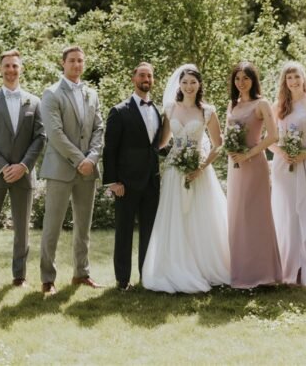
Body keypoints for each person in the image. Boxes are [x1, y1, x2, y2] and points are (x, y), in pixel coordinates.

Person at [142, 64, 230, 293]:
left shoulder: (207, 111)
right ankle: (175, 265)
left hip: (198, 172)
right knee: (176, 217)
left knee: (200, 218)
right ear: (179, 85)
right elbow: (162, 142)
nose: (189, 86)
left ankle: (203, 266)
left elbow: (218, 144)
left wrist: (201, 166)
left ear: (199, 84)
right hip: (174, 171)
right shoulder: (170, 108)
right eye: (184, 82)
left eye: (193, 82)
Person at [0, 50, 47, 291]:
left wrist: (24, 166)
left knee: (22, 228)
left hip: (23, 175)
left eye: (15, 66)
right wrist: (4, 167)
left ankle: (19, 276)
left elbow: (40, 137)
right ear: (0, 69)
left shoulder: (34, 102)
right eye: (6, 65)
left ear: (21, 69)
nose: (11, 70)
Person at [38, 45, 104, 295]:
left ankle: (81, 273)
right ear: (63, 63)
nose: (77, 64)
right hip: (61, 169)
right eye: (72, 60)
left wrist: (93, 157)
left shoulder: (92, 93)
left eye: (80, 61)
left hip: (88, 170)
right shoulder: (52, 93)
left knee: (83, 226)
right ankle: (47, 279)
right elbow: (55, 133)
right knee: (52, 226)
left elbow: (99, 128)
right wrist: (80, 160)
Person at [269, 61, 306, 287]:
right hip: (283, 166)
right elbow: (269, 140)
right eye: (289, 78)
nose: (294, 81)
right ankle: (285, 266)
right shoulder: (278, 106)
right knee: (286, 214)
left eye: (297, 77)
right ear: (284, 81)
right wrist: (282, 153)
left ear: (304, 78)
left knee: (304, 211)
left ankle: (303, 269)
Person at [103, 62, 163, 290]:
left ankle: (146, 277)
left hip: (151, 182)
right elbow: (110, 149)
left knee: (149, 232)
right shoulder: (119, 111)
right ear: (133, 78)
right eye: (142, 75)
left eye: (149, 76)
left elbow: (156, 146)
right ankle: (122, 280)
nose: (146, 79)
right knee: (124, 232)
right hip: (125, 183)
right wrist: (113, 182)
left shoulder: (157, 111)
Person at [225, 61, 283, 289]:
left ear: (253, 80)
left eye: (246, 78)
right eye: (237, 78)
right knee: (237, 216)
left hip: (254, 164)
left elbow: (273, 136)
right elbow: (228, 134)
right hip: (235, 166)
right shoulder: (232, 105)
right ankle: (241, 272)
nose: (241, 82)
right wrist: (231, 150)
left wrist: (248, 153)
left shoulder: (262, 104)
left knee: (256, 216)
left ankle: (263, 274)